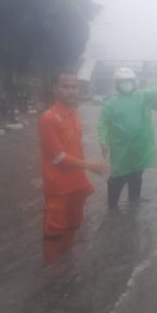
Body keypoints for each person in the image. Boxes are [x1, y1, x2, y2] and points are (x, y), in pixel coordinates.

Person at [38, 70, 108, 265]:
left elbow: (75, 149)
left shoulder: (75, 114)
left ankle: (66, 266)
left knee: (73, 226)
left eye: (74, 87)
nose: (70, 91)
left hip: (77, 185)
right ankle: (51, 274)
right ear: (55, 89)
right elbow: (58, 157)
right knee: (54, 231)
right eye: (65, 86)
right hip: (57, 187)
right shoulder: (48, 118)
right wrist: (90, 165)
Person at [98, 67, 157, 210]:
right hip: (120, 149)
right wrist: (103, 141)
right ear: (116, 84)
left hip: (140, 147)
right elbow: (103, 123)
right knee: (117, 177)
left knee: (137, 174)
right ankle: (112, 207)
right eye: (122, 82)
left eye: (129, 81)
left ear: (134, 82)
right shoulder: (110, 104)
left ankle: (134, 199)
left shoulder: (143, 97)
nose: (126, 84)